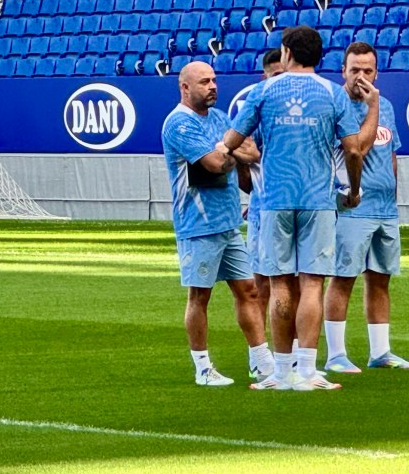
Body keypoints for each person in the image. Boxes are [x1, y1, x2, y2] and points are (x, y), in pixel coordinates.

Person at [222, 25, 379, 391]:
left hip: (274, 200)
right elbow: (353, 149)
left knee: (279, 284)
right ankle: (307, 371)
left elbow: (232, 139)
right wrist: (354, 190)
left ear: (287, 53)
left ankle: (280, 373)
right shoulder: (332, 94)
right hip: (317, 199)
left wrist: (229, 149)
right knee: (312, 283)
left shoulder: (264, 90)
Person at [161, 60, 274, 386]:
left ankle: (261, 362)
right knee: (200, 295)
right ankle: (202, 368)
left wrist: (229, 151)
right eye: (204, 82)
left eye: (213, 80)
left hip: (227, 221)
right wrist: (231, 152)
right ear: (185, 87)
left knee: (249, 290)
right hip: (197, 223)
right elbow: (212, 163)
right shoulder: (179, 123)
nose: (212, 86)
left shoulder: (222, 118)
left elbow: (250, 152)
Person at [322, 41, 409, 373]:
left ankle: (380, 352)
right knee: (343, 277)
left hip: (384, 208)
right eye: (355, 70)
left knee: (380, 279)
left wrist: (393, 196)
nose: (361, 77)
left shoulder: (385, 105)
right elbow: (357, 150)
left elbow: (391, 153)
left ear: (377, 72)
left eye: (367, 70)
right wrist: (373, 104)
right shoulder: (336, 106)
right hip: (351, 205)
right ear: (343, 71)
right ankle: (336, 354)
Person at [242, 48, 285, 368]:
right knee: (261, 286)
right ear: (265, 76)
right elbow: (242, 158)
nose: (281, 81)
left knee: (297, 284)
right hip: (263, 208)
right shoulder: (256, 107)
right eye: (276, 75)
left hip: (298, 207)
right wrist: (255, 191)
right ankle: (258, 355)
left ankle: (292, 353)